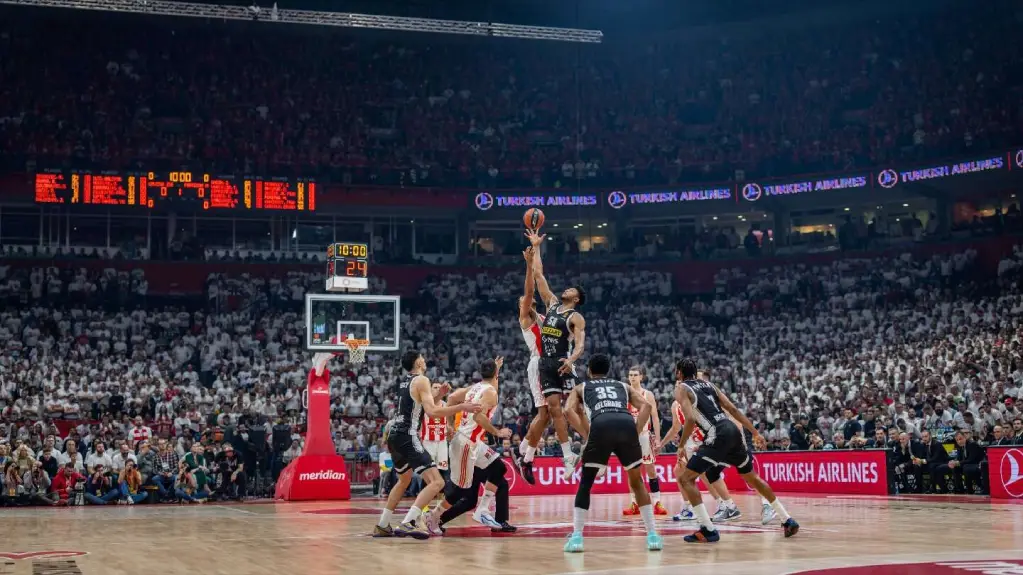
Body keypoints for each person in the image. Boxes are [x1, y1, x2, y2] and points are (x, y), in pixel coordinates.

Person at [673, 358, 799, 543]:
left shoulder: (682, 388)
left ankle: (707, 529)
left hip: (717, 432)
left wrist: (681, 445)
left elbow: (690, 419)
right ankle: (787, 519)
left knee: (685, 478)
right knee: (750, 477)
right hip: (732, 429)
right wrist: (755, 432)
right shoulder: (709, 385)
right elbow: (732, 408)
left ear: (679, 373)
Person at [373, 350, 481, 539]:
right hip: (408, 435)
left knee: (404, 480)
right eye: (422, 357)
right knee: (437, 481)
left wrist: (439, 396)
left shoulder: (406, 381)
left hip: (395, 436)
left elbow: (421, 406)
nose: (424, 359)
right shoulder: (422, 380)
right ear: (418, 362)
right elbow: (431, 412)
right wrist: (462, 407)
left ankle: (382, 524)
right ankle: (409, 522)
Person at [562, 354, 663, 553]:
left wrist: (587, 434)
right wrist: (635, 431)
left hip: (601, 426)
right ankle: (652, 535)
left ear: (590, 371)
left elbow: (567, 411)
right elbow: (647, 406)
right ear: (608, 370)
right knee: (637, 482)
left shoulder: (582, 387)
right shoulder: (623, 386)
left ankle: (577, 538)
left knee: (586, 483)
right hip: (626, 424)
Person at [426, 357, 515, 534]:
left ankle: (482, 510)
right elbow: (478, 417)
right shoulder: (490, 392)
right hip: (466, 443)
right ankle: (433, 517)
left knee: (498, 467)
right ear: (496, 374)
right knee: (461, 490)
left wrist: (451, 424)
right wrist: (497, 432)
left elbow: (451, 398)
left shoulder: (475, 388)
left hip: (473, 442)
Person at [524, 229, 584, 476]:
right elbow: (538, 275)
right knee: (554, 409)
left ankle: (591, 442)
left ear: (577, 299)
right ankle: (568, 455)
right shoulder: (552, 304)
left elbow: (580, 345)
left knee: (575, 410)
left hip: (563, 361)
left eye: (572, 290)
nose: (566, 289)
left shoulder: (575, 316)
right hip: (546, 364)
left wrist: (571, 359)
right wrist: (536, 247)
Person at [511, 246, 545, 485]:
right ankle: (526, 456)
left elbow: (540, 278)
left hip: (550, 364)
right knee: (545, 413)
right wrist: (528, 264)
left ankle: (523, 449)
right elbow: (531, 289)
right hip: (539, 364)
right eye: (524, 300)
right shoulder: (525, 318)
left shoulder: (542, 316)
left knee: (549, 416)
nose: (527, 300)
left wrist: (537, 250)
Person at [622, 365, 667, 516]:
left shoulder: (647, 394)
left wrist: (658, 439)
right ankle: (634, 503)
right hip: (628, 437)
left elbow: (655, 417)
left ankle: (657, 503)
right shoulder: (624, 394)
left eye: (635, 374)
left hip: (644, 435)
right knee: (632, 472)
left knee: (650, 469)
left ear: (642, 377)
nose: (632, 377)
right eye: (630, 374)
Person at [419, 383, 451, 479]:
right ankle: (427, 493)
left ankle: (441, 493)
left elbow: (447, 422)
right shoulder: (424, 404)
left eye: (439, 387)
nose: (438, 389)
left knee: (442, 469)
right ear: (430, 390)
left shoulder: (445, 405)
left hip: (442, 441)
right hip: (428, 441)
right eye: (435, 387)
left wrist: (449, 428)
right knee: (429, 470)